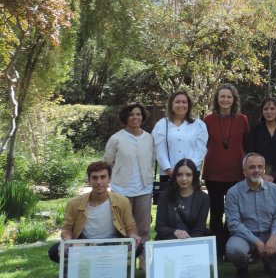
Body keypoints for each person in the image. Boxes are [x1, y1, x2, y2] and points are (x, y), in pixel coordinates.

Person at [225, 153, 276, 278]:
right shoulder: (233, 192)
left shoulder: (275, 189)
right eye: (252, 167)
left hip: (269, 232)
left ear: (264, 169)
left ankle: (271, 264)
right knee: (234, 250)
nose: (256, 170)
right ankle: (242, 267)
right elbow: (234, 224)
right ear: (244, 171)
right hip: (245, 236)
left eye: (260, 167)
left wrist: (273, 237)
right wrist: (257, 242)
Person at [48, 162, 141, 263]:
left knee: (139, 247)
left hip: (113, 243)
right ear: (89, 180)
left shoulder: (122, 201)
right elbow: (67, 228)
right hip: (85, 245)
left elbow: (130, 228)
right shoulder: (74, 203)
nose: (99, 182)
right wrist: (67, 241)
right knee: (54, 251)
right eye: (95, 178)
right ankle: (77, 270)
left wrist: (133, 236)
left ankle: (115, 269)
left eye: (103, 177)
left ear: (109, 179)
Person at [102, 102, 154, 266]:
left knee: (144, 226)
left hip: (144, 188)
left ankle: (144, 258)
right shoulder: (116, 138)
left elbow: (152, 160)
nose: (135, 117)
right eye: (131, 114)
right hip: (121, 189)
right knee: (123, 226)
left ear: (143, 117)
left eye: (138, 114)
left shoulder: (148, 138)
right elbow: (107, 163)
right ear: (126, 117)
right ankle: (124, 261)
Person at [203, 83, 250, 254]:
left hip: (236, 174)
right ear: (217, 99)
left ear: (234, 99)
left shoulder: (242, 119)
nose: (225, 99)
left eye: (229, 96)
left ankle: (231, 247)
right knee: (216, 212)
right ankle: (217, 249)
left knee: (233, 213)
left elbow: (246, 145)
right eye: (222, 96)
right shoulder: (208, 120)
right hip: (213, 173)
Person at [152, 90, 208, 178]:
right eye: (177, 102)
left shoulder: (199, 125)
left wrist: (188, 169)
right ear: (171, 104)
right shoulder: (162, 124)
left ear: (188, 105)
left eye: (184, 102)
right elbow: (159, 150)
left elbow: (200, 150)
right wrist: (169, 170)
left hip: (191, 173)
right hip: (168, 174)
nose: (181, 105)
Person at [246, 97, 276, 203]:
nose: (269, 112)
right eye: (265, 109)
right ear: (262, 111)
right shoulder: (254, 131)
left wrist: (274, 175)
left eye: (272, 109)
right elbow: (250, 154)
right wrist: (262, 174)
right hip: (257, 177)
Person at [155, 159, 210, 240]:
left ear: (194, 176)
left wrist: (187, 242)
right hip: (168, 241)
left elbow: (199, 230)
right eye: (179, 174)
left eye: (188, 175)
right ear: (175, 176)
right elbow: (159, 227)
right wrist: (174, 232)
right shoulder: (165, 196)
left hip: (192, 242)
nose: (184, 178)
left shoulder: (203, 198)